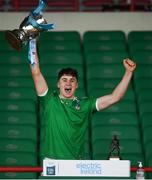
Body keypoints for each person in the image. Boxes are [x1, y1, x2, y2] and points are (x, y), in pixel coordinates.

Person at [29, 39, 136, 160]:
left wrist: (128, 72)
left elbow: (115, 97)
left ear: (76, 85)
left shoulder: (85, 104)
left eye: (72, 80)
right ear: (58, 84)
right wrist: (32, 41)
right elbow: (36, 72)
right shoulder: (50, 101)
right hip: (52, 163)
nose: (68, 83)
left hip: (77, 164)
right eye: (64, 80)